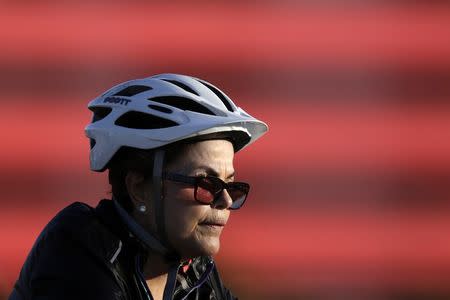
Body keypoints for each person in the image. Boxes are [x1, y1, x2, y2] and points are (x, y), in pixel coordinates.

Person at [9, 73, 268, 300]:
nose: (224, 201)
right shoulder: (80, 246)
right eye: (207, 184)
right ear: (138, 187)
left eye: (231, 186)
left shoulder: (197, 271)